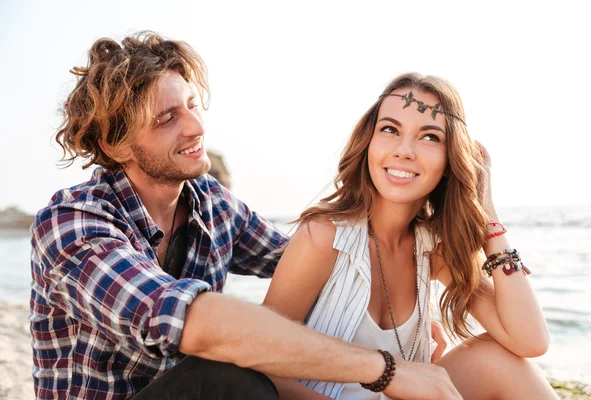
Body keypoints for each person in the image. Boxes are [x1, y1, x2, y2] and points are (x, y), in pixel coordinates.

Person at [29, 32, 462, 400]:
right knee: (227, 373)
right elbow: (194, 323)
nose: (195, 127)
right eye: (166, 119)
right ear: (114, 145)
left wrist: (407, 300)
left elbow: (310, 259)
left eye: (193, 105)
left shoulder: (210, 203)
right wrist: (386, 369)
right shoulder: (73, 224)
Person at [263, 73, 560, 399]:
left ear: (451, 160)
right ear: (369, 143)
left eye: (430, 137)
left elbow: (530, 341)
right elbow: (263, 364)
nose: (404, 151)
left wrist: (489, 219)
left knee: (499, 358)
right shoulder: (322, 238)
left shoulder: (433, 249)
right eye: (389, 130)